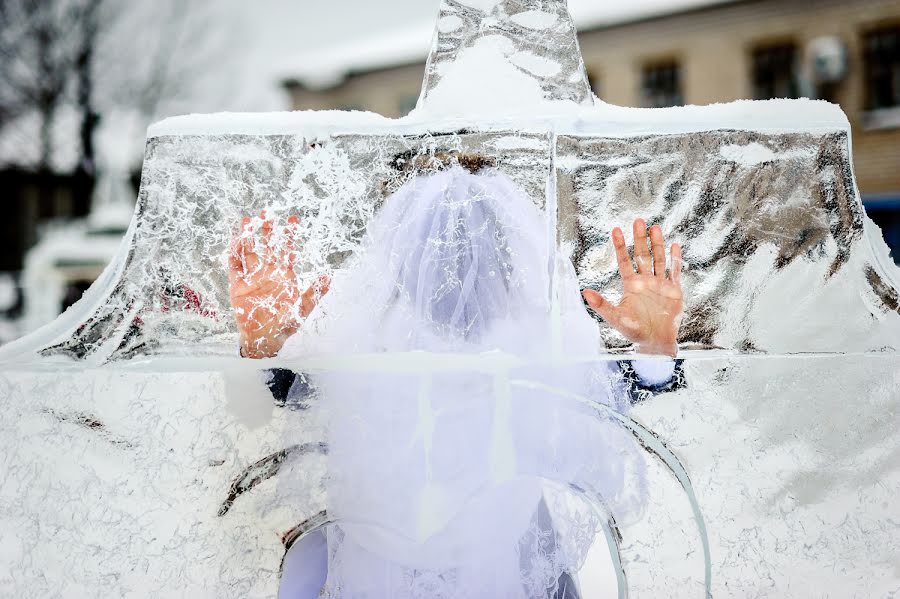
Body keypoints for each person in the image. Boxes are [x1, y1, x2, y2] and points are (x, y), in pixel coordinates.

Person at [228, 164, 684, 598]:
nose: (455, 258)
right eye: (434, 240)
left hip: (510, 563)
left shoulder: (532, 340)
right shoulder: (366, 340)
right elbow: (292, 393)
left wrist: (654, 349)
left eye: (473, 241)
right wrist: (265, 345)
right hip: (378, 561)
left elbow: (601, 392)